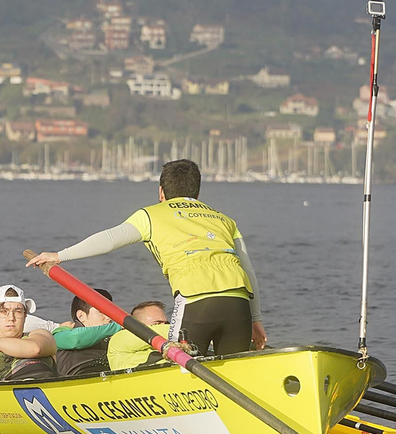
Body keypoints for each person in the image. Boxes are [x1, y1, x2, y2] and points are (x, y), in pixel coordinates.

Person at [27, 159, 266, 356]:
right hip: (239, 302)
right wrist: (255, 319)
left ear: (161, 192)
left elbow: (110, 239)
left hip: (195, 301)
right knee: (235, 369)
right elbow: (249, 270)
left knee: (178, 364)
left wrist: (59, 255)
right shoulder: (224, 219)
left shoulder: (150, 215)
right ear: (197, 191)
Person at [0, 285, 58, 382]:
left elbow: (35, 349)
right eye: (4, 311)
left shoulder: (41, 334)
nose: (11, 318)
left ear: (25, 315)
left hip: (46, 383)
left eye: (18, 312)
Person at [51, 288, 121, 377]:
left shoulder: (113, 335)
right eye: (101, 311)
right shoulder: (61, 333)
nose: (109, 317)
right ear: (81, 316)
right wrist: (118, 326)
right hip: (75, 384)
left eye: (110, 311)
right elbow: (75, 339)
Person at [107, 300, 171, 371]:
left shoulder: (169, 344)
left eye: (166, 323)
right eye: (157, 324)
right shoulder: (118, 340)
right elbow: (164, 331)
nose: (164, 326)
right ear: (137, 325)